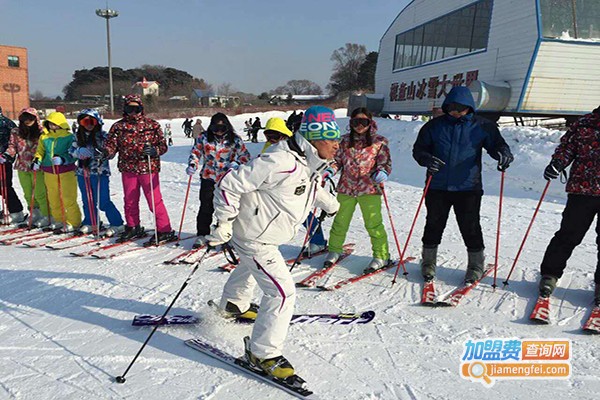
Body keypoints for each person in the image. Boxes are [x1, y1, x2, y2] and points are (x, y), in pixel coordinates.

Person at [206, 105, 340, 379]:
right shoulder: (281, 161)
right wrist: (223, 223)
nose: (337, 145)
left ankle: (234, 303)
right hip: (255, 237)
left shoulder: (306, 161)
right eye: (331, 139)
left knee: (251, 268)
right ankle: (262, 354)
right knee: (281, 293)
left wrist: (331, 203)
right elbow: (230, 183)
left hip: (265, 233)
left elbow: (309, 187)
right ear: (314, 139)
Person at [412, 86, 513, 284]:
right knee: (433, 224)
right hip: (437, 185)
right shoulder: (434, 126)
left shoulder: (482, 126)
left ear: (469, 107)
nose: (455, 112)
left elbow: (497, 145)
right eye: (451, 108)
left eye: (460, 108)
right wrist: (426, 159)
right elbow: (419, 150)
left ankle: (476, 265)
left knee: (470, 226)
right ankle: (428, 262)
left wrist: (503, 154)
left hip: (468, 187)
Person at [536, 105, 600, 306]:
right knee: (568, 234)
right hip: (582, 190)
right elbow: (567, 147)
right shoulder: (585, 123)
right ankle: (550, 274)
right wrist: (557, 163)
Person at [325, 107, 392, 273]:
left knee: (373, 223)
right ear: (351, 123)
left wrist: (382, 171)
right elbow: (337, 161)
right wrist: (330, 170)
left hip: (369, 189)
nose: (359, 125)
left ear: (370, 123)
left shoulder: (379, 142)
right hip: (346, 188)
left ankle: (381, 255)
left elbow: (385, 162)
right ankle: (334, 249)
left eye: (364, 122)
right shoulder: (344, 141)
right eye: (356, 122)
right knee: (340, 220)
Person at [104, 94, 176, 245]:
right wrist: (106, 152)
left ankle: (164, 229)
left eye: (136, 109)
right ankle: (133, 226)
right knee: (130, 199)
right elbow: (111, 145)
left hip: (148, 167)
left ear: (141, 109)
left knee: (154, 200)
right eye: (129, 109)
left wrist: (155, 150)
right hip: (128, 168)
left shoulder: (152, 125)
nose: (133, 112)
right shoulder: (118, 126)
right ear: (125, 109)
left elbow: (163, 145)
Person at [186, 112, 250, 248]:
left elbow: (245, 156)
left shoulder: (235, 140)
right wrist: (193, 164)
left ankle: (226, 236)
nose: (219, 132)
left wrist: (237, 163)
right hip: (209, 177)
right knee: (206, 206)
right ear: (211, 128)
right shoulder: (203, 138)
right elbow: (196, 153)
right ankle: (202, 234)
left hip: (228, 180)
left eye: (222, 129)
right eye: (216, 129)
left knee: (226, 209)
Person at [69, 109, 124, 236]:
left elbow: (111, 152)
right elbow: (70, 151)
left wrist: (103, 153)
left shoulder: (104, 136)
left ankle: (117, 223)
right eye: (84, 121)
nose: (88, 124)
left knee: (103, 200)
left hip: (99, 172)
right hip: (83, 173)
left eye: (92, 121)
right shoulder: (77, 137)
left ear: (98, 122)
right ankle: (91, 221)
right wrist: (77, 152)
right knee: (87, 199)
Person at [32, 112, 82, 232]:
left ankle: (74, 222)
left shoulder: (69, 137)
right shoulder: (44, 137)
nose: (52, 126)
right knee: (53, 198)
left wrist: (63, 159)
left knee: (68, 198)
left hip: (66, 171)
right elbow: (40, 151)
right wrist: (37, 160)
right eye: (50, 124)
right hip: (49, 171)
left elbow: (74, 154)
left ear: (61, 123)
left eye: (54, 124)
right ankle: (59, 220)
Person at [6, 108, 49, 227]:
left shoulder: (42, 132)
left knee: (40, 192)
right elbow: (12, 146)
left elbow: (45, 148)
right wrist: (7, 154)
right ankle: (34, 212)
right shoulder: (16, 131)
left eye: (30, 118)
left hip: (37, 166)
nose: (27, 121)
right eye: (24, 119)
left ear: (36, 118)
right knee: (28, 192)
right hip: (22, 166)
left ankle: (46, 214)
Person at [0, 105, 26, 224]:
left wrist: (7, 156)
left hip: (3, 159)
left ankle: (16, 211)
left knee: (4, 186)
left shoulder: (6, 124)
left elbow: (14, 143)